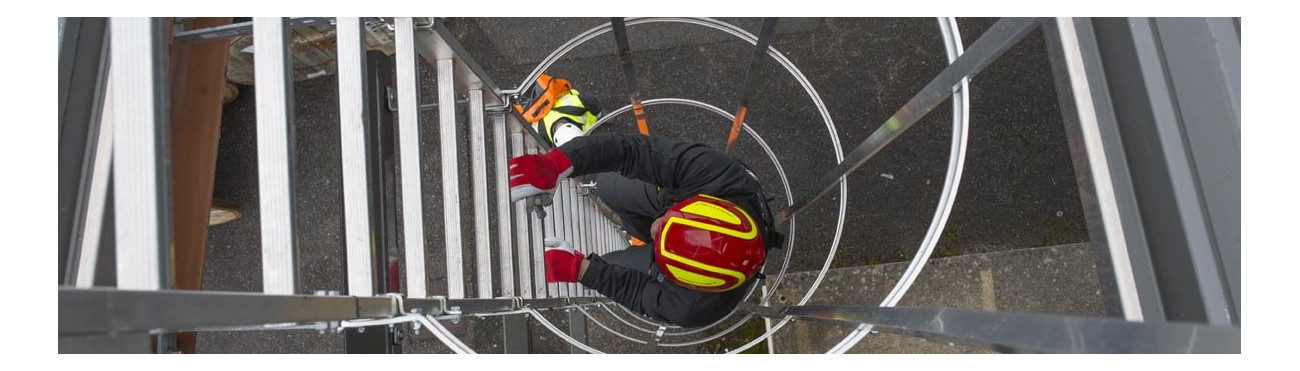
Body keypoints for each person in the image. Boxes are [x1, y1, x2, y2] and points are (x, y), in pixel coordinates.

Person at [509, 131, 780, 327]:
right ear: (705, 206)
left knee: (607, 265)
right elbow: (633, 151)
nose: (654, 233)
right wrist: (559, 162)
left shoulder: (694, 307)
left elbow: (640, 293)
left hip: (671, 218)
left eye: (660, 243)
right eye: (665, 227)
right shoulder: (718, 176)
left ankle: (635, 242)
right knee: (608, 184)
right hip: (672, 198)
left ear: (689, 282)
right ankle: (634, 222)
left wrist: (582, 270)